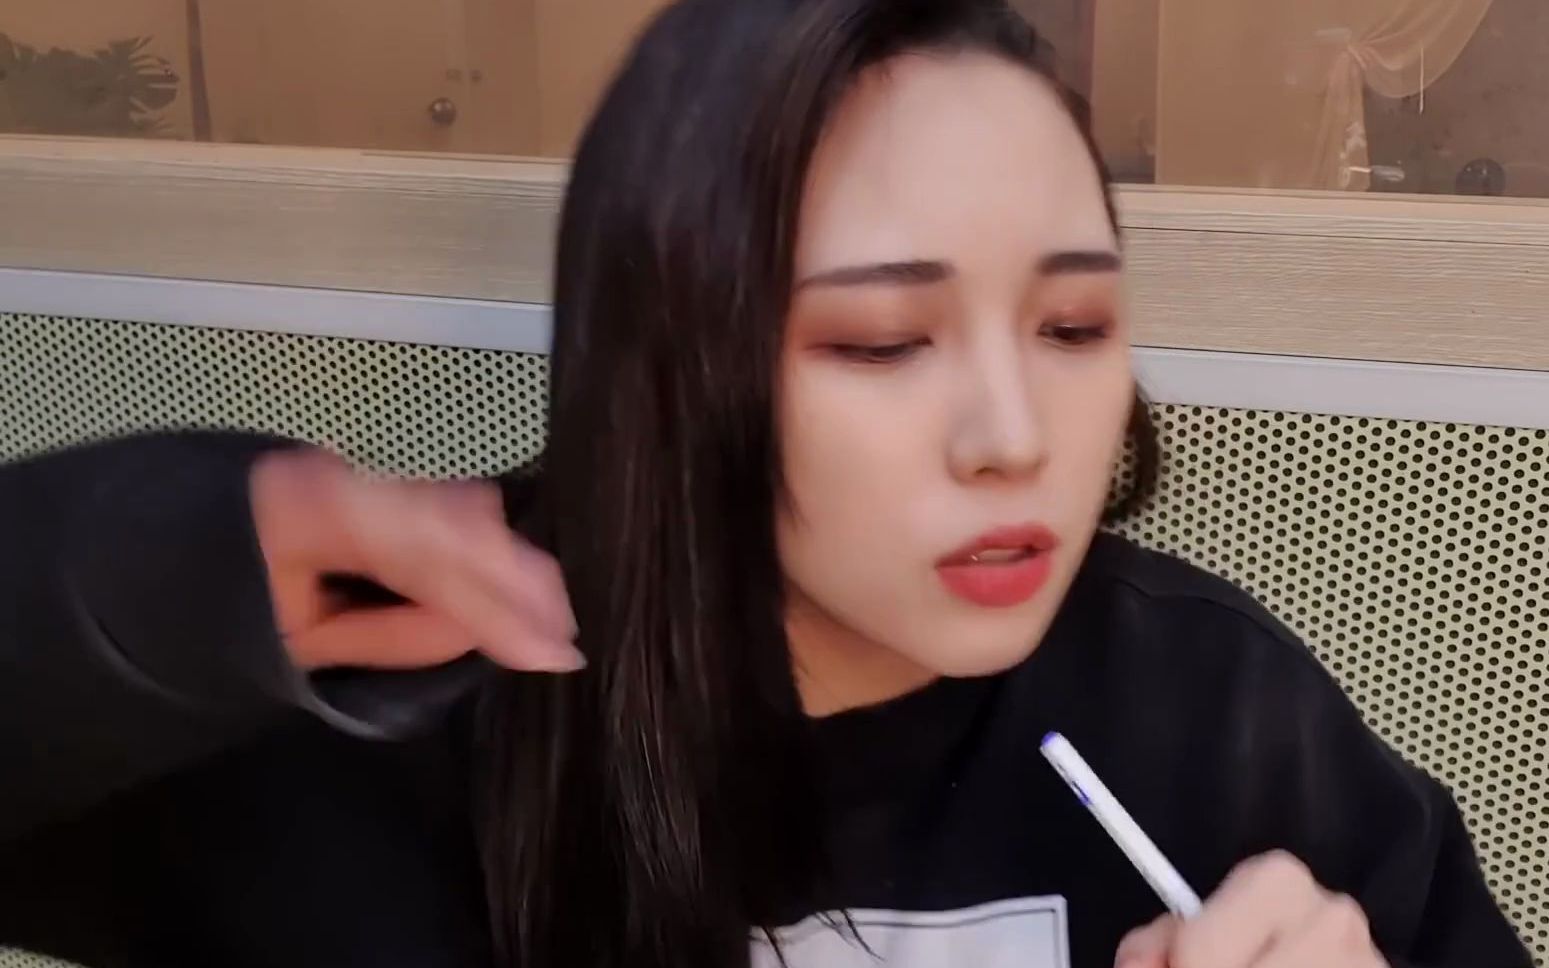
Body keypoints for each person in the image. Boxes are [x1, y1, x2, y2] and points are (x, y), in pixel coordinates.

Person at [0, 2, 1531, 967]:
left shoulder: (1212, 716)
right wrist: (155, 585)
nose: (1013, 435)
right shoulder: (409, 713)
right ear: (671, 362)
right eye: (880, 341)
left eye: (1071, 325)